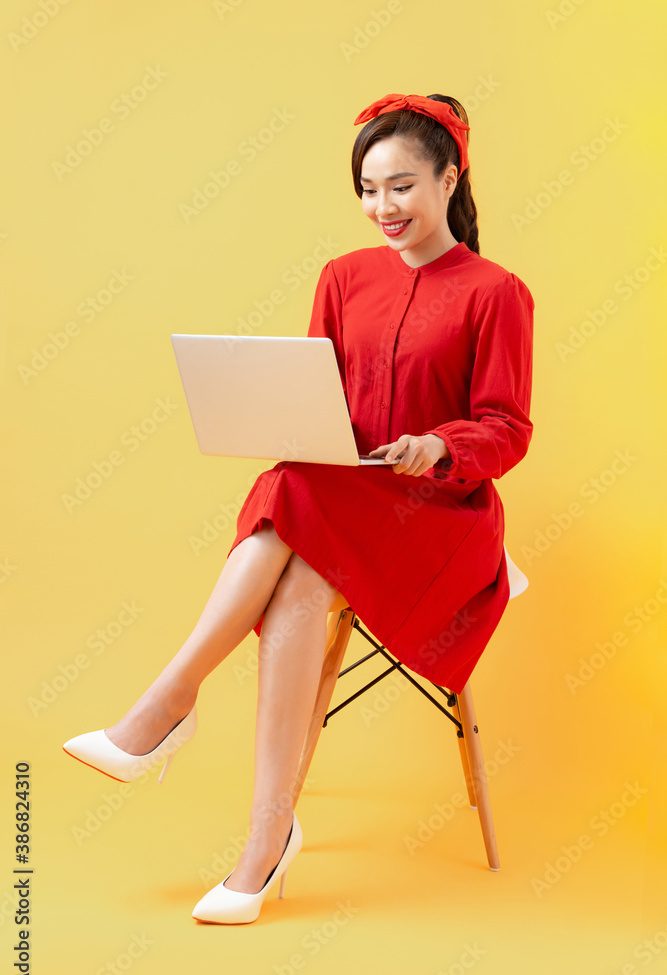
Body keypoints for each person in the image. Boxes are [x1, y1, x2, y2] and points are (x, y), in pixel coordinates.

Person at [62, 91, 535, 925]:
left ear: (449, 178)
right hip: (339, 499)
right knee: (302, 554)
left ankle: (168, 704)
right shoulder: (342, 278)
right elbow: (317, 402)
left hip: (439, 518)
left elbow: (506, 428)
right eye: (366, 189)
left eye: (400, 187)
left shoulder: (496, 292)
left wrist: (438, 446)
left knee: (294, 492)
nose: (380, 208)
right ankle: (263, 845)